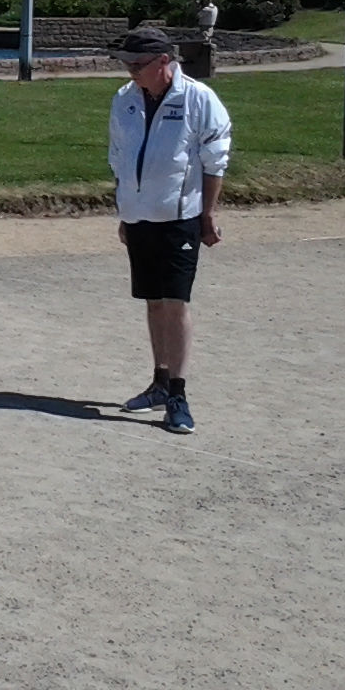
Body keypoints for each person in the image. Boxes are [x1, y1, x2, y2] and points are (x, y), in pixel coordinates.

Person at [108, 27, 233, 436]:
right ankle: (159, 381)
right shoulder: (124, 100)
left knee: (175, 301)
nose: (130, 72)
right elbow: (119, 158)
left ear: (165, 61)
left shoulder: (199, 99)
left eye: (138, 65)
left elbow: (215, 159)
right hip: (140, 214)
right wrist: (126, 211)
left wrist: (208, 213)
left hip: (180, 215)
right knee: (153, 301)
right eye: (126, 64)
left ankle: (178, 394)